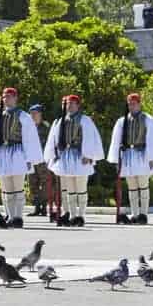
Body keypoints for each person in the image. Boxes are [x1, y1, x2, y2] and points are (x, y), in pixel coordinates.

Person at [0, 87, 43, 228]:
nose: (6, 99)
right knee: (6, 188)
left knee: (17, 187)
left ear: (16, 98)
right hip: (1, 154)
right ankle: (10, 216)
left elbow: (30, 139)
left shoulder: (23, 116)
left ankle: (18, 217)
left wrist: (29, 159)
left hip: (17, 153)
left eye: (9, 96)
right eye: (4, 97)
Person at [108, 93, 153, 224]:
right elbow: (116, 141)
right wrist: (117, 160)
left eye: (134, 103)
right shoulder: (122, 121)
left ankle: (143, 214)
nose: (131, 106)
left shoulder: (148, 119)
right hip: (128, 155)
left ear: (139, 104)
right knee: (132, 187)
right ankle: (134, 214)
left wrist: (152, 158)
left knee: (143, 186)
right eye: (130, 104)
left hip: (142, 155)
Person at [44, 95, 104, 227]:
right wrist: (52, 157)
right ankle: (72, 215)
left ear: (78, 105)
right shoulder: (60, 121)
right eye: (67, 104)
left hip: (80, 157)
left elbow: (91, 139)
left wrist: (88, 155)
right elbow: (53, 140)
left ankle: (81, 215)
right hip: (66, 157)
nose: (69, 106)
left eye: (72, 104)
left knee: (81, 188)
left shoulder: (85, 120)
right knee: (70, 189)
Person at [27, 104, 51, 217]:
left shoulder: (46, 127)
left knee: (45, 183)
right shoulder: (27, 127)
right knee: (32, 183)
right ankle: (36, 207)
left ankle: (44, 207)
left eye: (35, 113)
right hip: (31, 159)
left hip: (43, 160)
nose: (33, 116)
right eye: (31, 114)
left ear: (40, 114)